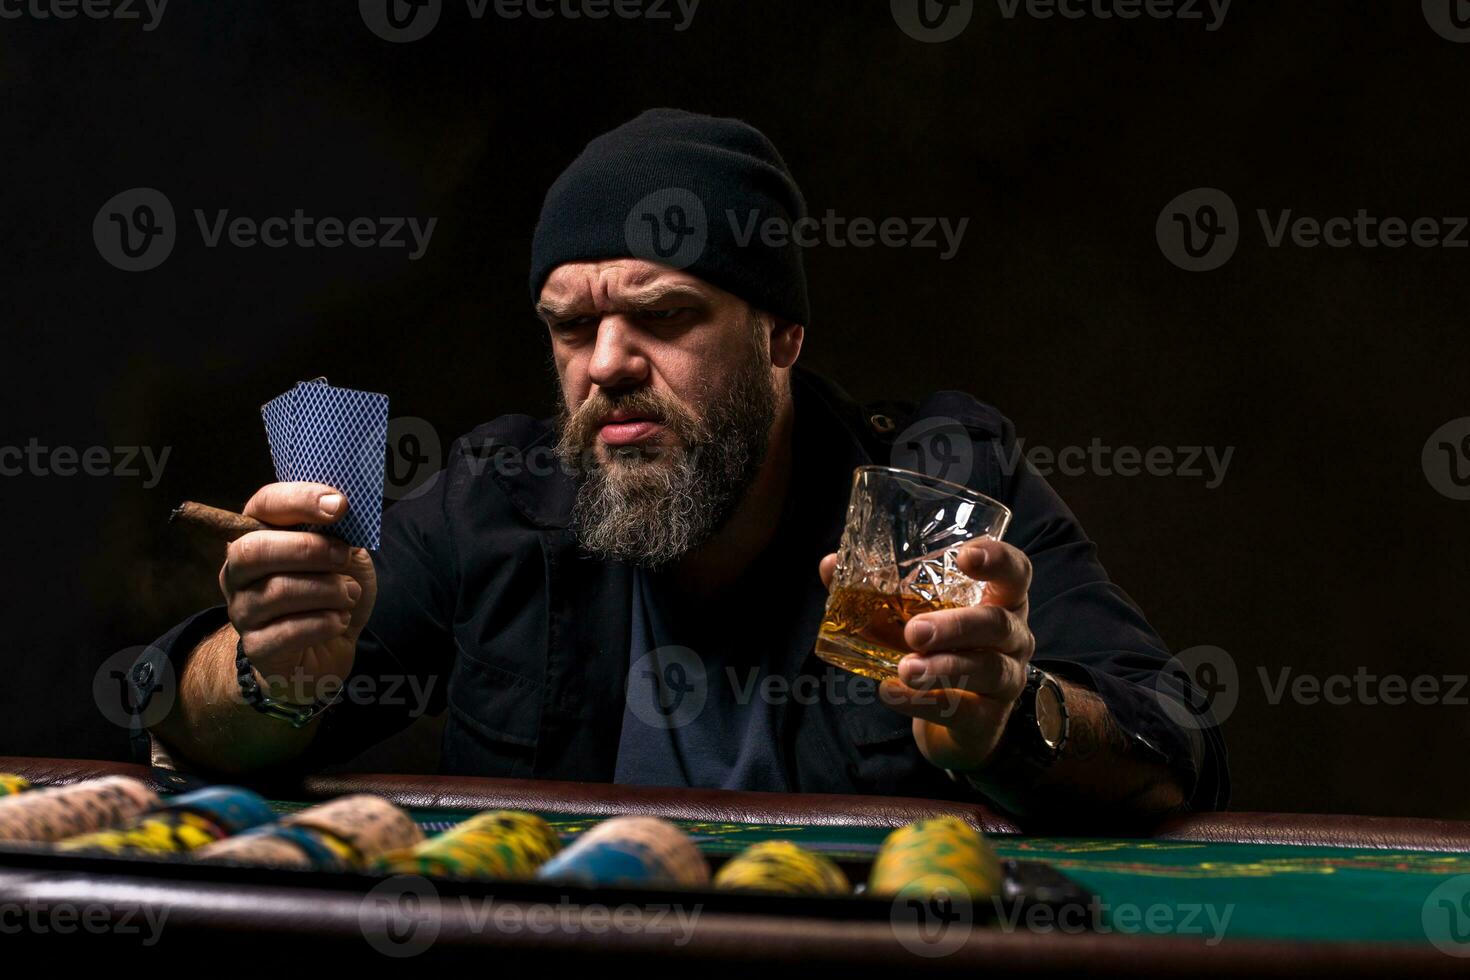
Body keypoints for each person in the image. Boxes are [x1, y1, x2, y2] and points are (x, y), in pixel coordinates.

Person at [133, 108, 1228, 824]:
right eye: (571, 326)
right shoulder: (498, 503)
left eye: (662, 315)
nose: (607, 363)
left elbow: (1169, 746)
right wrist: (272, 668)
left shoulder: (912, 505)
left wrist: (1007, 717)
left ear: (780, 337)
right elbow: (183, 722)